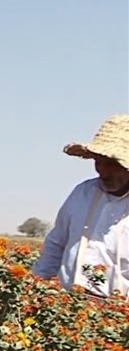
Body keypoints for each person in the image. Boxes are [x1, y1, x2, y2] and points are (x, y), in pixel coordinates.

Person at [32, 114, 129, 299]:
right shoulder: (82, 193)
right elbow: (56, 243)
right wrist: (38, 283)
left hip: (119, 314)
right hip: (70, 305)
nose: (102, 170)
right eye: (98, 161)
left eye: (111, 164)